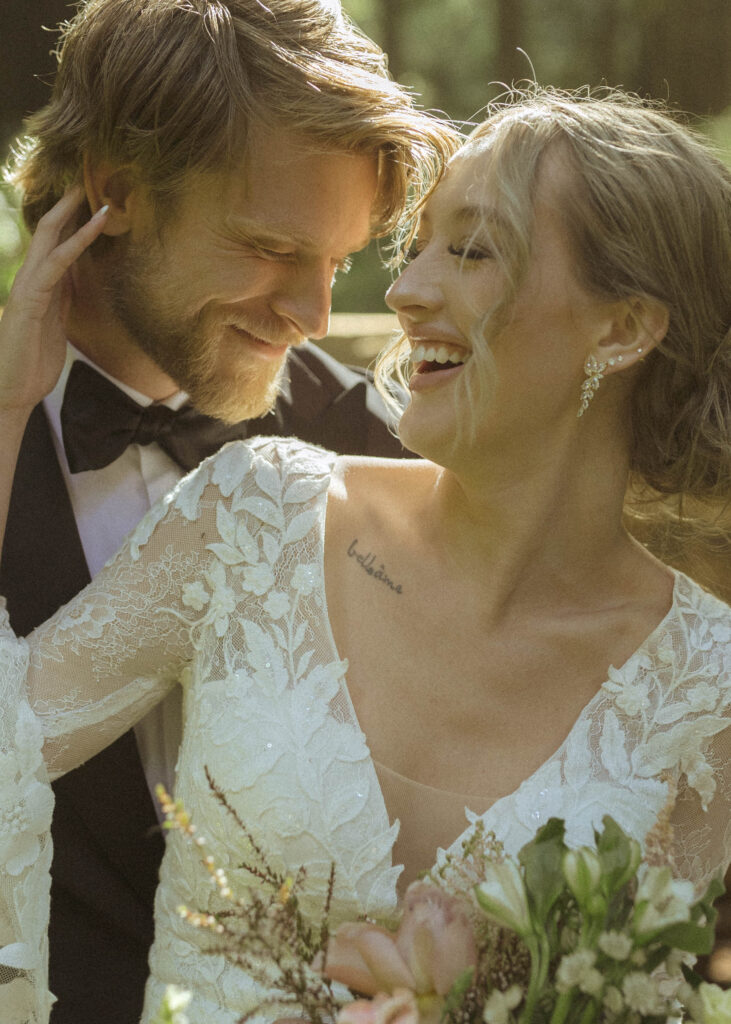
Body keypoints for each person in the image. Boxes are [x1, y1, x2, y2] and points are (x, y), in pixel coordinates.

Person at [1, 86, 730, 1023]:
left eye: (470, 251)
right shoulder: (256, 512)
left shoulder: (702, 686)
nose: (403, 290)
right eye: (415, 245)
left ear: (622, 327)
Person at [0, 1, 457, 1021]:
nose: (311, 314)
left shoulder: (370, 444)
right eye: (266, 247)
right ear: (115, 194)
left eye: (337, 262)